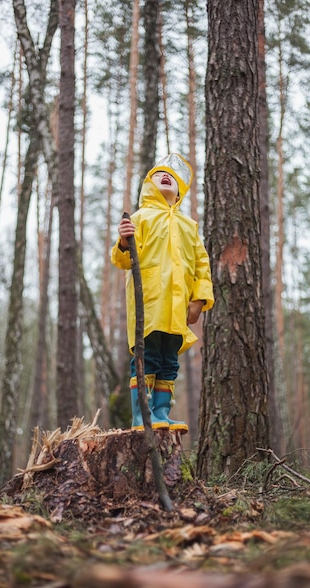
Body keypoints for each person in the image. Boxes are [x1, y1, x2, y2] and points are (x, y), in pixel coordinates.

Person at [111, 153, 214, 433]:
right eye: (159, 174)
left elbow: (201, 264)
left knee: (169, 362)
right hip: (150, 304)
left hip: (177, 310)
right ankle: (140, 417)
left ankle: (160, 413)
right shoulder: (140, 218)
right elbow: (123, 260)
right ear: (149, 184)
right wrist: (123, 240)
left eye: (171, 175)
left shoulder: (189, 226)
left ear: (179, 190)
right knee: (148, 358)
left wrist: (199, 299)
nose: (165, 175)